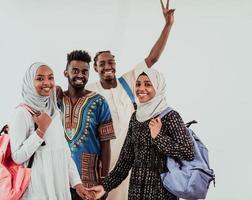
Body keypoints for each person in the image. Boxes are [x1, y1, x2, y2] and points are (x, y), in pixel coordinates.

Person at [86, 1, 175, 199]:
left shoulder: (129, 82)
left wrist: (168, 25)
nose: (108, 66)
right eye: (102, 63)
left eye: (111, 61)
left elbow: (152, 58)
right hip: (105, 163)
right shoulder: (90, 91)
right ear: (96, 68)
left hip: (133, 159)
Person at [88, 68, 195, 200]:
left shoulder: (170, 116)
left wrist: (159, 137)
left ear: (158, 86)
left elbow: (188, 152)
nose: (141, 88)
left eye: (148, 84)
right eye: (138, 84)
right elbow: (125, 160)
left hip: (162, 193)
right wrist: (105, 186)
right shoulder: (136, 117)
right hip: (136, 192)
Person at [9, 62, 93, 200]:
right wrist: (40, 131)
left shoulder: (54, 112)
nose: (47, 82)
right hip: (38, 190)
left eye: (50, 77)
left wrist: (76, 183)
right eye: (40, 78)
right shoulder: (22, 113)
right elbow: (17, 157)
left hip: (59, 187)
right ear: (30, 82)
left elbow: (64, 152)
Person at [58, 50, 116, 200]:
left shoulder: (99, 102)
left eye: (85, 71)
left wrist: (105, 181)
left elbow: (106, 144)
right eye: (75, 71)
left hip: (89, 181)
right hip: (59, 180)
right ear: (66, 72)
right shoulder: (56, 101)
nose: (80, 75)